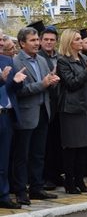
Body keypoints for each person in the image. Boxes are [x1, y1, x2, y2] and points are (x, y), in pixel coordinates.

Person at [12, 23, 60, 205]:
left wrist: (52, 81)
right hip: (26, 114)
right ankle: (20, 190)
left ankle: (37, 188)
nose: (36, 43)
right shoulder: (17, 62)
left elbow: (47, 81)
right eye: (32, 40)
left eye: (36, 40)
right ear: (22, 43)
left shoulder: (40, 60)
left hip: (43, 111)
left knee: (38, 153)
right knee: (22, 155)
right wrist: (43, 84)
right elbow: (19, 90)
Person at [56, 29, 87, 194]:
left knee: (84, 147)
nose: (80, 41)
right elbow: (71, 83)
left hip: (86, 107)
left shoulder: (83, 58)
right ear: (70, 42)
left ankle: (80, 180)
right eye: (77, 39)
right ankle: (69, 183)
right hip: (71, 109)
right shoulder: (62, 61)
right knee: (72, 148)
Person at [0, 30, 27, 209]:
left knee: (3, 160)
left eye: (2, 39)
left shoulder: (7, 60)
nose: (1, 43)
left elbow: (11, 90)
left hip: (6, 117)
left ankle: (3, 195)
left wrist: (16, 81)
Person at [38, 26, 63, 191]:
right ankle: (46, 177)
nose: (48, 42)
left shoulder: (59, 58)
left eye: (52, 40)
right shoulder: (38, 58)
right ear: (40, 41)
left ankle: (55, 174)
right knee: (44, 144)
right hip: (43, 105)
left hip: (59, 104)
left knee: (57, 141)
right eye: (46, 39)